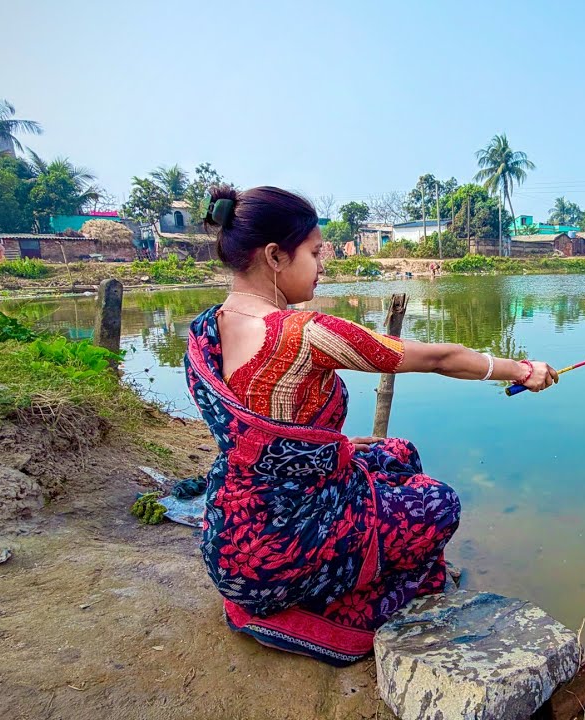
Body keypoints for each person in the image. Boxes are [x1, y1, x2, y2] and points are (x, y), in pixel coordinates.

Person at [184, 185, 558, 666]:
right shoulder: (303, 333)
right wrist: (521, 370)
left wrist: (331, 448)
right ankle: (318, 599)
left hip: (229, 544)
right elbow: (439, 358)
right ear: (276, 256)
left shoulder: (203, 332)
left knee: (395, 452)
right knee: (440, 504)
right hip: (281, 552)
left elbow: (263, 436)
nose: (323, 265)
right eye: (316, 253)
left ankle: (306, 580)